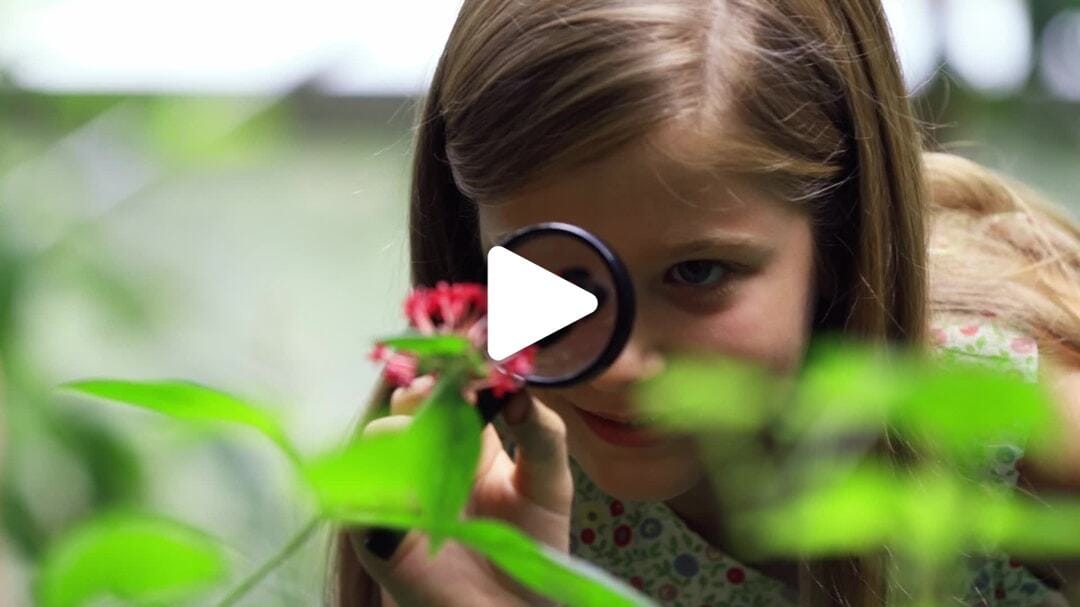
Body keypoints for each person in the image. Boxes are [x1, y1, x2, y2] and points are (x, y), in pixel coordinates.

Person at [332, 0, 1080, 604]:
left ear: (838, 243)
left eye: (697, 273)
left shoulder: (1009, 428)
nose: (619, 364)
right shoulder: (483, 500)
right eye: (560, 280)